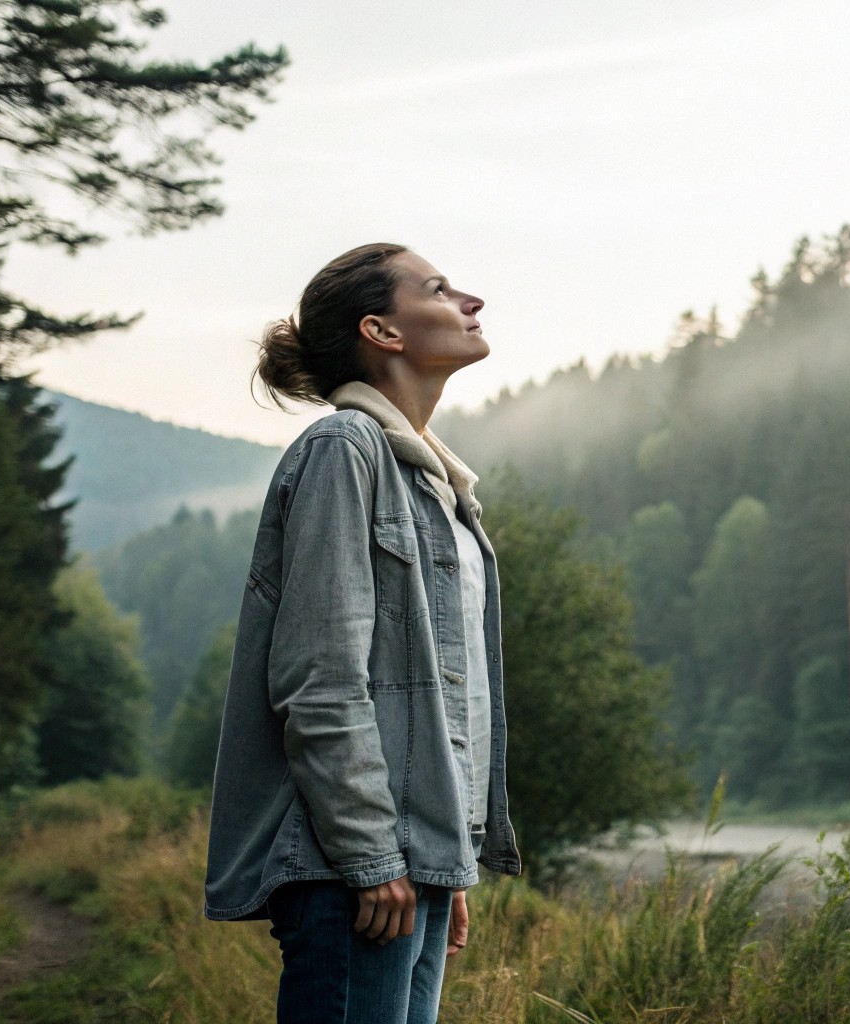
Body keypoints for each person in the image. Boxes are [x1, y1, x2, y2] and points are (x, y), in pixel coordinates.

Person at [202, 242, 519, 1024]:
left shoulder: (437, 482)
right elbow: (321, 676)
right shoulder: (346, 452)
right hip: (352, 871)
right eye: (442, 289)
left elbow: (448, 701)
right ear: (382, 331)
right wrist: (373, 854)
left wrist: (445, 861)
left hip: (411, 868)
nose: (471, 300)